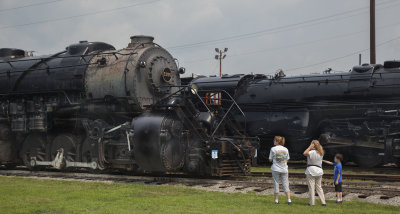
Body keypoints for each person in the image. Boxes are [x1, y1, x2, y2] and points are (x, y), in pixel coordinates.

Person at [269, 136, 291, 205]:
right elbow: (287, 159)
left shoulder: (273, 149)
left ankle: (276, 200)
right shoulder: (286, 149)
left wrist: (273, 159)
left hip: (275, 169)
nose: (274, 141)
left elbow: (270, 159)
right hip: (284, 169)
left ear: (277, 141)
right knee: (285, 184)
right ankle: (289, 200)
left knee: (276, 183)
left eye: (274, 140)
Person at [303, 140, 326, 206]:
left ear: (313, 145)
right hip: (319, 171)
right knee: (319, 187)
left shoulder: (311, 152)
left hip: (311, 170)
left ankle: (312, 203)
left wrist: (309, 147)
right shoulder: (321, 153)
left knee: (311, 188)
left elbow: (304, 153)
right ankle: (323, 202)